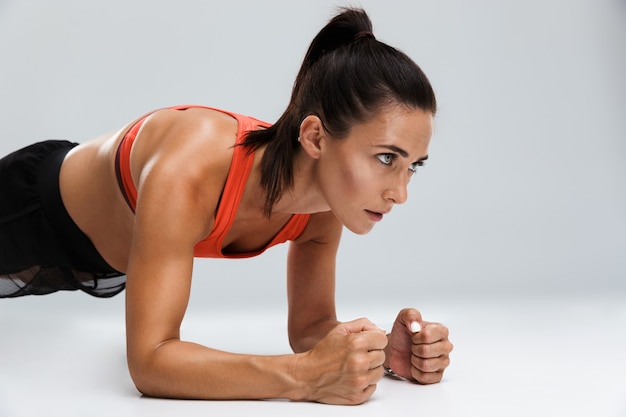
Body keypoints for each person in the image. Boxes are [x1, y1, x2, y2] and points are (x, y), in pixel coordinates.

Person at [0, 7, 452, 405]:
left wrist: (379, 354)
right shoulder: (191, 168)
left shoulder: (324, 206)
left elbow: (311, 328)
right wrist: (303, 378)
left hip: (100, 256)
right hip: (27, 211)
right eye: (386, 158)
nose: (400, 192)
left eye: (414, 165)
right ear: (315, 137)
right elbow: (151, 362)